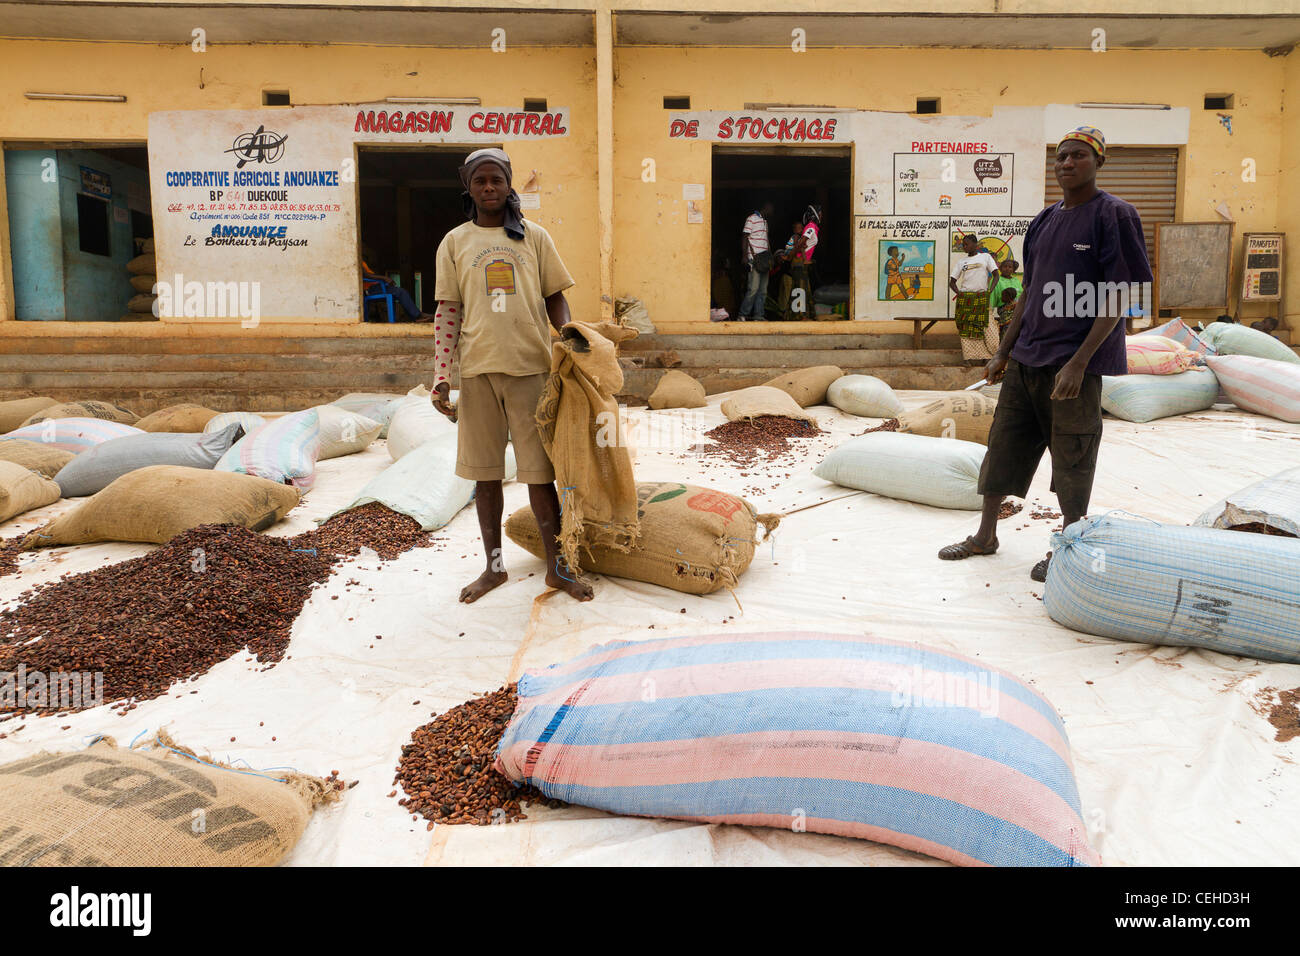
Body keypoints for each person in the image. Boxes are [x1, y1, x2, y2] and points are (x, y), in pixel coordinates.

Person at [938, 125, 1153, 582]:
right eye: (1061, 157)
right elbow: (1031, 291)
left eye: (1078, 156)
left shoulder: (1115, 215)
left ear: (1098, 162)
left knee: (1072, 458)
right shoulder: (1044, 219)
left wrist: (1080, 362)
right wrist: (1004, 351)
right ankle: (985, 536)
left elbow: (1123, 292)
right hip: (1027, 360)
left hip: (1072, 366)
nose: (1067, 163)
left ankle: (1069, 545)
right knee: (1002, 448)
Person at [430, 147, 593, 604]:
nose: (488, 188)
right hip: (478, 373)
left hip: (531, 370)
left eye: (496, 180)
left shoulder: (534, 237)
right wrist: (442, 375)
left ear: (508, 184)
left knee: (540, 477)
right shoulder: (455, 242)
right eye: (479, 181)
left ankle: (558, 569)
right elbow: (447, 312)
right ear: (468, 186)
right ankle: (494, 567)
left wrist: (570, 339)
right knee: (485, 478)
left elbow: (554, 297)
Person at [948, 234, 1000, 363]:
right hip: (966, 299)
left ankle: (988, 357)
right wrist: (959, 293)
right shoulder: (961, 262)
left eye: (966, 244)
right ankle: (969, 358)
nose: (964, 247)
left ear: (975, 244)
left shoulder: (986, 257)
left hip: (982, 297)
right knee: (966, 330)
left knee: (987, 328)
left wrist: (990, 291)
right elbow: (952, 282)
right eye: (963, 245)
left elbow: (996, 275)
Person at [361, 257, 433, 322]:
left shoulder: (361, 260)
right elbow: (365, 275)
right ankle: (418, 316)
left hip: (377, 286)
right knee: (401, 292)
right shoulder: (357, 259)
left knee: (400, 293)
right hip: (371, 289)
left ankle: (416, 316)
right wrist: (384, 278)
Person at [782, 205, 821, 321]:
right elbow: (801, 243)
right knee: (801, 289)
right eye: (820, 213)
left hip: (800, 264)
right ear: (815, 215)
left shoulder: (812, 227)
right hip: (798, 262)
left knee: (801, 289)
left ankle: (794, 316)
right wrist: (790, 256)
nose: (821, 216)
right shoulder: (811, 227)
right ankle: (800, 316)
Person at [739, 202, 774, 320]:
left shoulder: (765, 222)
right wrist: (745, 256)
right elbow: (744, 237)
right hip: (754, 259)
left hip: (764, 260)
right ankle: (743, 314)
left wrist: (770, 256)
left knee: (763, 290)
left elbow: (766, 240)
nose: (772, 211)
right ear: (766, 207)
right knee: (753, 289)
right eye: (771, 208)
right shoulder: (751, 219)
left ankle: (758, 315)